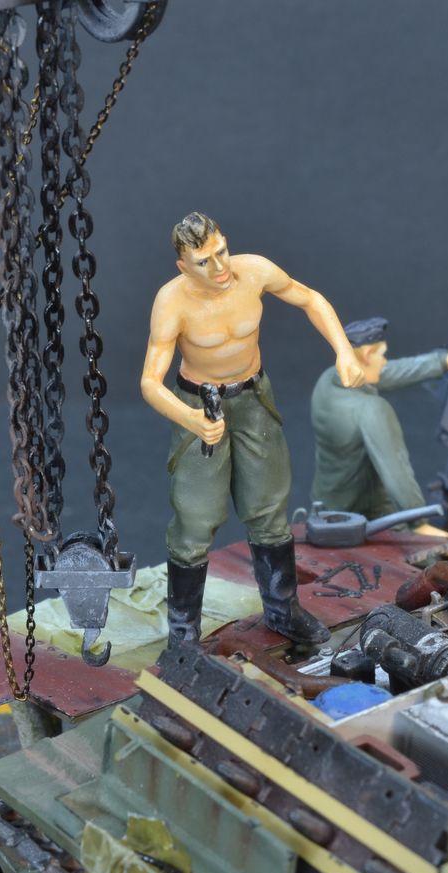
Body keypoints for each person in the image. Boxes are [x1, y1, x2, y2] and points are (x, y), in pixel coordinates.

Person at [141, 212, 365, 647]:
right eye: (203, 261)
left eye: (221, 251)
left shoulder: (255, 270)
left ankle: (283, 608)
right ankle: (184, 632)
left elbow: (310, 299)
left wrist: (344, 350)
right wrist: (190, 419)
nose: (219, 266)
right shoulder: (172, 302)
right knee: (196, 515)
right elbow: (150, 381)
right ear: (183, 266)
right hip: (198, 403)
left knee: (268, 503)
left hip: (253, 398)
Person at [310, 317, 448, 536]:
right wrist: (418, 522)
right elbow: (396, 469)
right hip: (367, 514)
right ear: (366, 355)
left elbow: (387, 372)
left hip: (328, 504)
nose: (384, 361)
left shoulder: (328, 381)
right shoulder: (371, 410)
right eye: (381, 355)